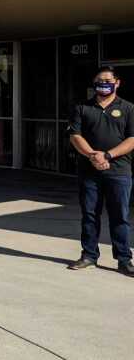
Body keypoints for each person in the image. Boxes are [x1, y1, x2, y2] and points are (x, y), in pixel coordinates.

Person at [67, 66, 134, 275]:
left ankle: (124, 259)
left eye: (107, 80)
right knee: (89, 215)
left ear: (117, 82)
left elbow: (132, 139)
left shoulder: (129, 108)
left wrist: (107, 155)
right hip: (89, 172)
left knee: (120, 217)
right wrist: (92, 156)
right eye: (98, 80)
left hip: (119, 171)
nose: (103, 84)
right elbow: (75, 136)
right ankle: (88, 255)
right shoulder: (82, 107)